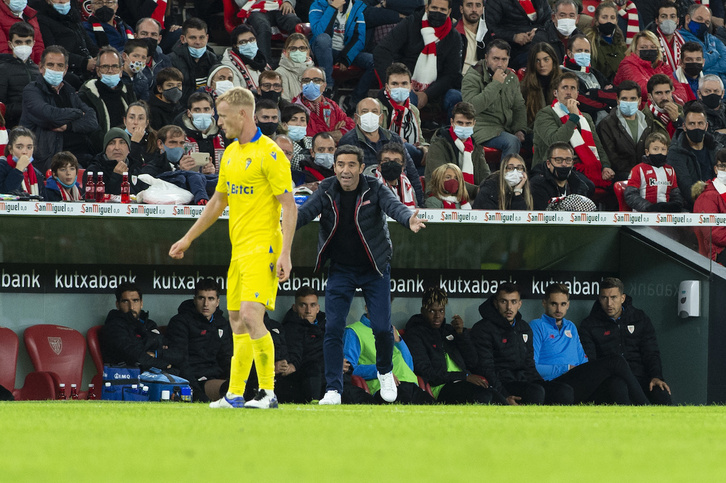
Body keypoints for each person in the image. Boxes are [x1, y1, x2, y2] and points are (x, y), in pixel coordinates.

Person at [169, 87, 298, 409]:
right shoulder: (230, 154)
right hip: (239, 250)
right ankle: (236, 394)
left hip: (265, 247)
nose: (219, 123)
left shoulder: (270, 154)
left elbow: (290, 206)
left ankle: (268, 392)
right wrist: (188, 238)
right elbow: (217, 201)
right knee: (237, 320)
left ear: (242, 114)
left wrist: (285, 253)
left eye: (223, 117)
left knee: (254, 317)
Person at [296, 144, 426, 405]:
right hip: (341, 269)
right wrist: (279, 227)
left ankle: (385, 371)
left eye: (351, 165)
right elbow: (303, 214)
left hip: (374, 268)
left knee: (381, 327)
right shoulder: (325, 189)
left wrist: (407, 220)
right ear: (334, 167)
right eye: (340, 165)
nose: (346, 170)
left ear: (361, 168)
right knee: (333, 328)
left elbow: (394, 206)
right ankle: (333, 389)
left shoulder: (373, 187)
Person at [530, 283, 649, 405]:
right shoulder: (537, 326)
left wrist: (586, 372)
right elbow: (532, 367)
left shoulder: (570, 327)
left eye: (563, 304)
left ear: (568, 305)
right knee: (616, 361)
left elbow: (583, 360)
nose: (559, 309)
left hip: (577, 379)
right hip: (557, 383)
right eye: (554, 304)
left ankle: (632, 421)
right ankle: (646, 407)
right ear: (544, 303)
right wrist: (565, 368)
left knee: (617, 382)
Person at [471, 283, 573, 405]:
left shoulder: (523, 327)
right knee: (535, 392)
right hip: (503, 384)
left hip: (524, 380)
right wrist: (504, 395)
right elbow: (487, 370)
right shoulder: (483, 329)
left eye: (513, 302)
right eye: (504, 301)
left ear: (520, 304)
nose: (509, 307)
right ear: (495, 303)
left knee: (564, 391)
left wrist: (541, 383)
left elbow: (530, 365)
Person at [579, 277, 672, 405]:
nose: (609, 303)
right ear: (599, 299)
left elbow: (651, 352)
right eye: (604, 298)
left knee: (660, 392)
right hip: (611, 381)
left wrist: (656, 376)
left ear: (622, 298)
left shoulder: (639, 318)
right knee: (618, 387)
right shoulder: (589, 325)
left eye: (613, 298)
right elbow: (591, 363)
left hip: (640, 378)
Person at [403, 287, 501, 404]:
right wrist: (463, 376)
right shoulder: (415, 334)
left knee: (499, 399)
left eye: (441, 311)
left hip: (463, 381)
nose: (437, 316)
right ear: (423, 310)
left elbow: (473, 362)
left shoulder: (449, 331)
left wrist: (461, 335)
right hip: (441, 387)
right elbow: (426, 372)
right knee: (483, 396)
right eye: (432, 311)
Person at [373, 0, 463, 116]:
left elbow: (451, 74)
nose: (437, 13)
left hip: (438, 89)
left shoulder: (453, 36)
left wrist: (427, 94)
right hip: (407, 85)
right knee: (407, 97)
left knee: (456, 98)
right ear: (426, 8)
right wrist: (393, 82)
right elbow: (382, 50)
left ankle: (448, 133)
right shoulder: (411, 23)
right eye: (434, 8)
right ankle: (406, 132)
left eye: (442, 10)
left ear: (449, 12)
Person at [19, 45, 99, 172]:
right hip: (51, 158)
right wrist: (78, 113)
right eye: (50, 65)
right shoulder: (32, 90)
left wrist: (68, 126)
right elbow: (49, 116)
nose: (55, 69)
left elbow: (92, 120)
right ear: (41, 67)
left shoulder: (69, 90)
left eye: (60, 66)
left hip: (81, 154)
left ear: (66, 69)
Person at [532, 72, 612, 189]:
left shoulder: (585, 117)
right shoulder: (545, 114)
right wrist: (573, 118)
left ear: (577, 94)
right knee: (586, 186)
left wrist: (605, 166)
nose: (569, 92)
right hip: (554, 167)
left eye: (572, 88)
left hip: (583, 166)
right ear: (555, 93)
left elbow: (597, 146)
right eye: (564, 87)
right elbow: (555, 142)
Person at [337, 97, 424, 205]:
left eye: (374, 111)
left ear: (381, 118)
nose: (370, 115)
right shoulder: (348, 141)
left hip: (400, 196)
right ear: (356, 117)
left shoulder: (394, 138)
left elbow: (412, 173)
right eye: (364, 111)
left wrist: (420, 205)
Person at [345, 306, 434, 405]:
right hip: (384, 388)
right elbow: (348, 370)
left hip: (411, 385)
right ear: (367, 307)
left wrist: (399, 342)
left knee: (437, 412)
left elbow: (409, 366)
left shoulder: (390, 329)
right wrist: (381, 371)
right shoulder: (354, 331)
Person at [165, 278, 233, 403]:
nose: (206, 304)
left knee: (247, 386)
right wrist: (196, 392)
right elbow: (181, 361)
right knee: (229, 389)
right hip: (193, 380)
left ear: (217, 302)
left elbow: (226, 358)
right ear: (195, 300)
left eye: (211, 299)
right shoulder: (180, 322)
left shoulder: (221, 323)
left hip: (215, 377)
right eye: (201, 298)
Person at [461, 39, 527, 159]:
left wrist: (520, 129)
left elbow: (519, 106)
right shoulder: (473, 76)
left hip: (506, 127)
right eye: (495, 59)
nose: (500, 64)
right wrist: (495, 84)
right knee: (512, 142)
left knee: (539, 137)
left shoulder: (511, 77)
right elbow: (470, 108)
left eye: (504, 60)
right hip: (482, 128)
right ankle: (505, 177)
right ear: (486, 58)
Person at [100, 282, 182, 371]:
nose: (131, 307)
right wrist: (165, 364)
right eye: (125, 301)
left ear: (141, 303)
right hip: (131, 377)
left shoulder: (150, 324)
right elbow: (134, 356)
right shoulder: (114, 326)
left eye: (135, 300)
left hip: (159, 375)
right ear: (117, 304)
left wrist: (155, 353)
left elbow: (178, 353)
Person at [309, 0, 373, 111]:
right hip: (323, 50)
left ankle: (354, 100)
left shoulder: (356, 8)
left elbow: (359, 38)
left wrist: (346, 58)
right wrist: (332, 8)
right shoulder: (318, 4)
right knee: (323, 39)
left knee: (373, 61)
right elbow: (319, 32)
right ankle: (328, 87)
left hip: (345, 51)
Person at [79, 46, 137, 152]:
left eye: (115, 66)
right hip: (99, 153)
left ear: (121, 70)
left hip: (129, 150)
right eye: (105, 66)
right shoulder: (87, 95)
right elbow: (92, 132)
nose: (110, 71)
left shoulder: (128, 92)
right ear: (98, 70)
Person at [667, 101, 723, 210]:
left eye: (700, 123)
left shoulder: (717, 149)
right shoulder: (676, 152)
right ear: (684, 126)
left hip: (718, 205)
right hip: (690, 209)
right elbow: (687, 189)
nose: (696, 127)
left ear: (706, 126)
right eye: (692, 124)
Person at [597, 80, 654, 181]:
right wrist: (636, 175)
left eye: (633, 99)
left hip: (647, 174)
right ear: (618, 100)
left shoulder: (648, 122)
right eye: (624, 99)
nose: (628, 102)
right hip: (621, 176)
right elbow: (612, 158)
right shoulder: (606, 125)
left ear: (639, 100)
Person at [277, 286, 326, 403]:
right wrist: (292, 365)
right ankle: (314, 403)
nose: (308, 310)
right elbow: (295, 356)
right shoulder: (290, 328)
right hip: (301, 379)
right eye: (303, 305)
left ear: (318, 308)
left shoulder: (327, 326)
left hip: (327, 377)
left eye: (313, 305)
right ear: (294, 307)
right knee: (313, 367)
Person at [613, 30, 688, 105]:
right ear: (634, 49)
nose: (649, 50)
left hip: (662, 109)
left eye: (653, 47)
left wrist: (667, 98)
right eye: (643, 47)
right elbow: (643, 91)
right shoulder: (627, 64)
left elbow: (682, 93)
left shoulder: (663, 66)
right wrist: (668, 93)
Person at [35, 0, 98, 80]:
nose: (62, 1)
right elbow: (51, 50)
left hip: (86, 67)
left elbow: (90, 44)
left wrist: (98, 58)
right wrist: (84, 62)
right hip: (66, 70)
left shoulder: (74, 17)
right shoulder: (42, 20)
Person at [560, 34, 614, 123]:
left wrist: (595, 93)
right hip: (585, 120)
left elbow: (615, 94)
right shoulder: (564, 74)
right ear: (569, 53)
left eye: (586, 51)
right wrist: (605, 104)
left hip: (606, 120)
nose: (583, 54)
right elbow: (580, 100)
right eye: (579, 51)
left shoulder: (595, 72)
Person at [624, 132, 683, 212]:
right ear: (647, 152)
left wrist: (675, 205)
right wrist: (650, 208)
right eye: (655, 149)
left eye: (663, 149)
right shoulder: (638, 169)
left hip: (665, 216)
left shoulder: (670, 170)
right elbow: (630, 195)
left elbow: (675, 194)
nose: (660, 152)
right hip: (643, 216)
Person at [292, 66, 354, 142]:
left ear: (324, 86)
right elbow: (307, 139)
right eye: (306, 80)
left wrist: (322, 136)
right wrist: (334, 134)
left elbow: (350, 128)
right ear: (301, 85)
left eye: (316, 80)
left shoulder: (332, 105)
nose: (311, 83)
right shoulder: (294, 108)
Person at [484, 0, 551, 69]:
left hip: (540, 44)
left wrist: (538, 31)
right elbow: (492, 29)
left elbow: (549, 21)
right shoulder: (495, 2)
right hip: (513, 51)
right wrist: (513, 37)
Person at [170, 17, 220, 106]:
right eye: (193, 38)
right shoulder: (171, 60)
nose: (198, 42)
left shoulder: (213, 59)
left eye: (201, 37)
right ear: (183, 39)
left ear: (207, 38)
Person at [530, 141, 594, 210]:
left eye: (568, 160)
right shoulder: (537, 184)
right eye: (558, 160)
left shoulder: (580, 186)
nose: (564, 164)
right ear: (548, 163)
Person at [236, 0, 300, 67]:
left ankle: (295, 62)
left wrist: (288, 2)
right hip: (255, 9)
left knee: (294, 22)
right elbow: (240, 2)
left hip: (279, 7)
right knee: (263, 26)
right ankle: (265, 65)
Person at [0, 22, 40, 129]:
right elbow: (1, 107)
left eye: (27, 42)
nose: (23, 46)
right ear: (10, 44)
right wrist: (27, 108)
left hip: (37, 125)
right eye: (18, 42)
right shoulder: (2, 69)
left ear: (33, 43)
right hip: (12, 126)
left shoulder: (38, 70)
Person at [173, 91, 226, 173]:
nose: (202, 113)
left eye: (206, 109)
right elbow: (169, 163)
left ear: (213, 112)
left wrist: (213, 173)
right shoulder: (177, 134)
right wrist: (180, 168)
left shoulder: (222, 135)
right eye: (197, 110)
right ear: (189, 113)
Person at [678, 4, 726, 88]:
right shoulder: (679, 38)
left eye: (707, 22)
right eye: (699, 19)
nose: (703, 24)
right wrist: (715, 54)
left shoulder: (712, 38)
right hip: (700, 89)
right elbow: (695, 66)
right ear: (688, 19)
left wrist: (706, 67)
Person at [85, 127, 143, 195]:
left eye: (122, 142)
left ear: (129, 149)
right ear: (105, 149)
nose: (117, 148)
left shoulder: (136, 169)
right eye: (112, 143)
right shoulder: (93, 171)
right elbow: (94, 199)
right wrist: (116, 177)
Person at [693, 149, 726, 263]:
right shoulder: (708, 195)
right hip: (715, 257)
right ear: (715, 169)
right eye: (722, 166)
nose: (725, 170)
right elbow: (712, 232)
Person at [520, 42, 561, 129]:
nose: (542, 65)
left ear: (553, 61)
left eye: (546, 60)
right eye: (537, 61)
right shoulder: (525, 87)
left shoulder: (563, 84)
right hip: (535, 131)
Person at [583, 1, 626, 84]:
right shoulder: (588, 42)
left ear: (616, 21)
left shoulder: (621, 42)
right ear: (596, 20)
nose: (608, 21)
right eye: (604, 17)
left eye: (612, 18)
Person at [531, 0, 582, 68]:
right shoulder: (541, 39)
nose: (567, 19)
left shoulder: (582, 39)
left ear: (577, 19)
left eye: (571, 15)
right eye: (562, 15)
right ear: (553, 17)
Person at [221, 24, 270, 94]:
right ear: (235, 46)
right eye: (243, 42)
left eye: (252, 39)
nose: (249, 44)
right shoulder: (230, 66)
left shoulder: (261, 61)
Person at [0, 126, 44, 196]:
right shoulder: (2, 166)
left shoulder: (37, 174)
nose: (25, 152)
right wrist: (18, 169)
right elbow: (4, 195)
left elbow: (44, 202)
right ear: (10, 149)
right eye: (19, 147)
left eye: (29, 147)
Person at [0, 0, 44, 64]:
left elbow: (38, 45)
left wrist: (38, 68)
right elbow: (2, 49)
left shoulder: (30, 14)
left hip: (31, 67)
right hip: (9, 67)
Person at [375, 142, 417, 208]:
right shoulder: (370, 185)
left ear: (402, 167)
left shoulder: (407, 186)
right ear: (379, 165)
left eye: (396, 161)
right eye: (386, 160)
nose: (391, 164)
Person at [643, 73, 683, 141]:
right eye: (659, 93)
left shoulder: (681, 111)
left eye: (667, 92)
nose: (664, 97)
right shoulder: (643, 117)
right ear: (650, 96)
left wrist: (677, 121)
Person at [275, 33, 314, 102]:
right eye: (293, 48)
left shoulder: (315, 73)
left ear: (308, 51)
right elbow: (284, 102)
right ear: (285, 52)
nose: (298, 51)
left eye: (302, 48)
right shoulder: (279, 74)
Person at [649, 1, 682, 75]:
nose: (668, 20)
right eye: (664, 16)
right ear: (656, 20)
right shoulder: (649, 42)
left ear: (678, 21)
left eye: (672, 16)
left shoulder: (683, 41)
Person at [135, 17, 172, 83]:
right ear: (135, 37)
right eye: (144, 34)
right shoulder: (126, 61)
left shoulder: (165, 61)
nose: (149, 37)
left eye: (153, 34)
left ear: (159, 39)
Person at [457, 0, 485, 74]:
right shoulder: (453, 34)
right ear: (461, 9)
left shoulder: (489, 34)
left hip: (482, 80)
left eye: (478, 5)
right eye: (469, 5)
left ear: (483, 9)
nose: (474, 9)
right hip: (460, 79)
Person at [124, 100, 157, 165]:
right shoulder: (117, 139)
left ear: (146, 123)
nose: (135, 122)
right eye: (131, 117)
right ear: (125, 121)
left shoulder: (154, 139)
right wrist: (134, 143)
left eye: (140, 118)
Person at [698, 74, 726, 145]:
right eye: (707, 91)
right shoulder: (694, 113)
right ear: (699, 94)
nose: (712, 94)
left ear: (722, 93)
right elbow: (702, 139)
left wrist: (717, 133)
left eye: (716, 91)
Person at [282, 104, 310, 170]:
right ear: (284, 124)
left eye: (302, 120)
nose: (299, 124)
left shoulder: (312, 141)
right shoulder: (279, 143)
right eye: (294, 120)